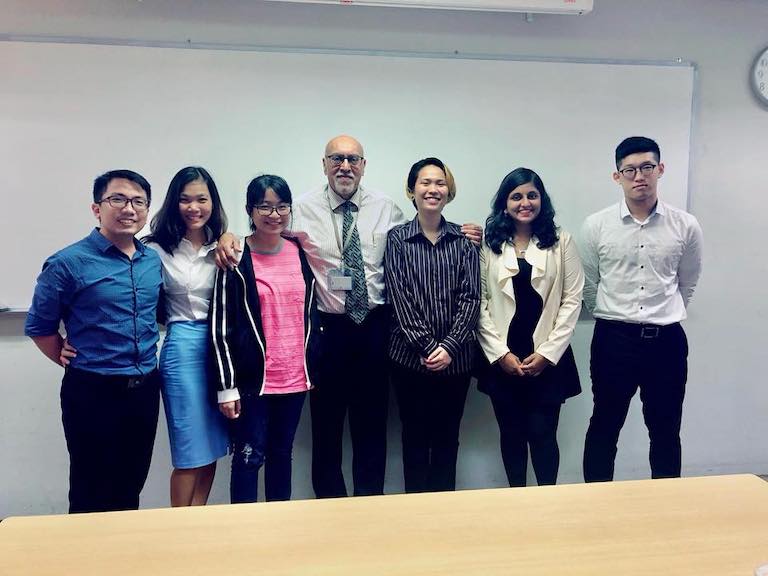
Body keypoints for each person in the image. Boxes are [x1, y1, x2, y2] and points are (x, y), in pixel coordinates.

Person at [216, 135, 483, 498]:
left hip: (376, 328)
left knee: (371, 428)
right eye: (337, 159)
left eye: (353, 160)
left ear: (364, 166)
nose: (345, 166)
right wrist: (227, 235)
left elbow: (424, 230)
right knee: (326, 430)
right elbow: (265, 230)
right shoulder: (302, 209)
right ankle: (331, 508)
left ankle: (369, 508)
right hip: (328, 330)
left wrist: (466, 231)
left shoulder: (387, 207)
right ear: (324, 164)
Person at [25, 169, 163, 513]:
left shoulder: (152, 260)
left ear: (147, 210)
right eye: (117, 199)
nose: (128, 208)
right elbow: (40, 326)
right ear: (96, 208)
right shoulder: (67, 262)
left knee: (131, 485)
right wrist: (63, 354)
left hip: (144, 388)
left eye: (138, 201)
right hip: (92, 391)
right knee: (90, 489)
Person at [581, 136, 703, 482]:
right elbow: (591, 285)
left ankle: (665, 508)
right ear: (616, 176)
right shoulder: (597, 225)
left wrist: (658, 315)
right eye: (630, 170)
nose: (639, 176)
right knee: (605, 424)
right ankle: (596, 504)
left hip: (666, 342)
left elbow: (687, 283)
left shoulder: (685, 225)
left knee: (665, 430)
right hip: (613, 340)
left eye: (647, 167)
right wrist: (619, 318)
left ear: (660, 169)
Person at [210, 175, 320, 503]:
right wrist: (226, 385)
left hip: (295, 377)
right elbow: (221, 326)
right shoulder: (235, 257)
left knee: (281, 454)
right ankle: (242, 533)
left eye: (282, 206)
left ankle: (279, 529)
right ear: (250, 210)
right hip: (253, 379)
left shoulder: (302, 252)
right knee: (248, 456)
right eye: (265, 207)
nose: (274, 214)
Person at [477, 168, 583, 487]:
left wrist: (547, 354)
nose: (525, 202)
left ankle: (548, 503)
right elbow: (479, 301)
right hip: (503, 358)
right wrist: (499, 354)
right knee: (511, 436)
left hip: (547, 358)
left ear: (542, 200)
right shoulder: (489, 244)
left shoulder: (561, 241)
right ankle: (516, 502)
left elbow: (572, 300)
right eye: (517, 196)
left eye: (532, 195)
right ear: (504, 203)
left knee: (543, 436)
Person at [385, 158, 480, 493]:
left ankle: (445, 513)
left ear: (448, 191)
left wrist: (449, 348)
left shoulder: (464, 240)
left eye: (440, 183)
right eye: (425, 182)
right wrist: (428, 348)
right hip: (410, 360)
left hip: (457, 362)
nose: (433, 189)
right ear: (412, 191)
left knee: (447, 439)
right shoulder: (397, 239)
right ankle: (415, 514)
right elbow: (400, 299)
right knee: (413, 438)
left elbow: (472, 298)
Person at [143, 166, 230, 506]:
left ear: (213, 202)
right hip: (181, 348)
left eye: (201, 199)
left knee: (211, 447)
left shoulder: (223, 244)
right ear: (173, 203)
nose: (194, 207)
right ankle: (178, 526)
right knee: (188, 450)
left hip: (219, 351)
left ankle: (198, 520)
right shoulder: (155, 249)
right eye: (185, 200)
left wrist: (226, 236)